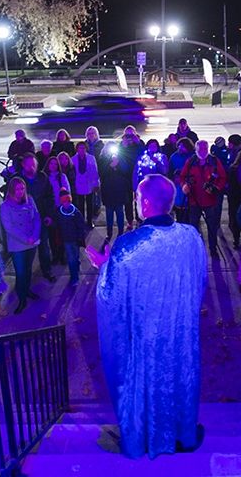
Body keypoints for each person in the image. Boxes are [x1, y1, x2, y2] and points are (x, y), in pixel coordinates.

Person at [86, 174, 207, 459]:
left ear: (146, 203)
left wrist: (104, 267)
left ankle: (143, 438)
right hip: (180, 334)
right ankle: (182, 434)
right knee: (179, 379)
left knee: (145, 383)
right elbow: (198, 282)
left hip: (144, 340)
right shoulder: (191, 237)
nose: (137, 202)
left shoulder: (130, 246)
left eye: (138, 198)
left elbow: (111, 299)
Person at [1, 177, 42, 314]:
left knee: (28, 269)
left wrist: (35, 235)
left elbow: (36, 217)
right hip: (18, 244)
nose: (20, 191)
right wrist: (26, 239)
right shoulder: (6, 206)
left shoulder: (30, 200)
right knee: (20, 272)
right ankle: (22, 298)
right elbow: (9, 228)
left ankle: (27, 290)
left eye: (22, 188)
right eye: (17, 189)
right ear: (12, 190)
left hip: (31, 242)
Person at [180, 140, 228, 257]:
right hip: (194, 200)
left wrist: (216, 188)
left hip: (210, 200)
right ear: (195, 150)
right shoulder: (191, 162)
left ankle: (213, 249)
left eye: (205, 149)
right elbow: (182, 177)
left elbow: (222, 177)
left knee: (212, 227)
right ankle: (194, 250)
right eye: (200, 149)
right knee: (193, 227)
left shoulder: (214, 161)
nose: (203, 151)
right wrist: (184, 186)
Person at [18, 153, 55, 282]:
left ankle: (47, 270)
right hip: (25, 221)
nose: (31, 167)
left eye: (33, 164)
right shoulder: (17, 179)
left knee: (44, 247)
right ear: (23, 165)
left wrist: (49, 215)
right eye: (28, 165)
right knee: (27, 250)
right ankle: (25, 276)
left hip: (41, 218)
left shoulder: (43, 177)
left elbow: (50, 197)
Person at [56, 188, 86, 286]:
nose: (66, 203)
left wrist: (81, 236)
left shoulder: (75, 212)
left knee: (75, 256)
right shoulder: (59, 213)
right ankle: (74, 277)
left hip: (75, 239)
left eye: (68, 201)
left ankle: (76, 267)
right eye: (64, 201)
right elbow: (57, 225)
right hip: (66, 240)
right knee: (71, 258)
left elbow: (81, 225)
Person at [101, 144, 130, 240]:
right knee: (109, 215)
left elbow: (126, 170)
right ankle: (109, 233)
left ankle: (120, 232)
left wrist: (118, 162)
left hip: (119, 190)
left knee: (120, 213)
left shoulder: (121, 158)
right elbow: (101, 173)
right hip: (108, 190)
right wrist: (110, 166)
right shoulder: (103, 160)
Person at [71, 141, 100, 228]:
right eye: (80, 148)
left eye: (83, 148)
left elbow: (95, 172)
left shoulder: (91, 158)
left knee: (90, 204)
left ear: (86, 148)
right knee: (80, 205)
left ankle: (90, 221)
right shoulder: (73, 159)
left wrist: (96, 184)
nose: (82, 150)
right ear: (77, 149)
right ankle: (81, 221)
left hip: (89, 184)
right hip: (78, 184)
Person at [169, 137, 195, 223]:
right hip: (178, 184)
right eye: (179, 145)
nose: (180, 147)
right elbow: (170, 170)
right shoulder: (174, 156)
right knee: (179, 206)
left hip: (189, 184)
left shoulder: (192, 156)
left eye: (183, 146)